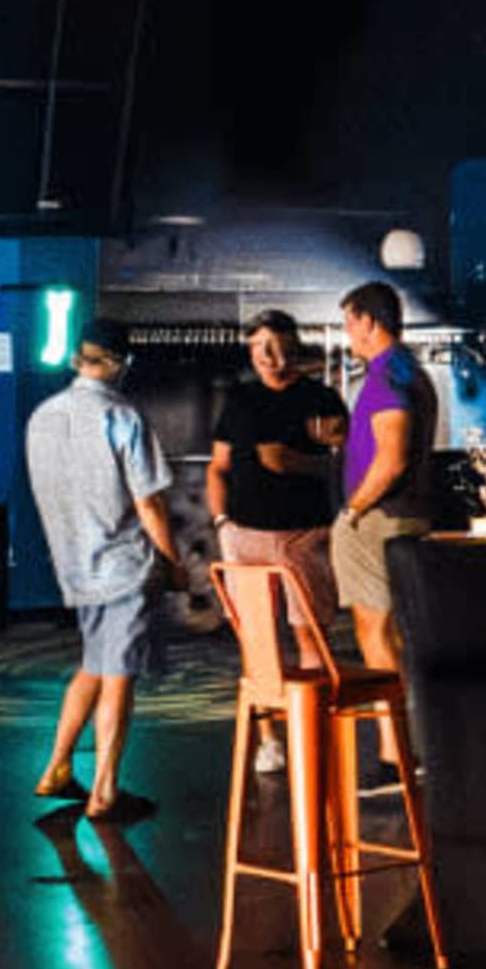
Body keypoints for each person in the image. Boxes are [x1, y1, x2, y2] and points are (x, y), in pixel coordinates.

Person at [23, 318, 182, 820]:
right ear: (120, 365)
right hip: (124, 567)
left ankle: (58, 769)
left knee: (93, 665)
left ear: (77, 359)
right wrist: (172, 563)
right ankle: (106, 791)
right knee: (118, 676)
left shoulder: (43, 417)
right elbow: (149, 503)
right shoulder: (123, 416)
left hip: (74, 566)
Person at [207, 310, 346, 761]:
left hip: (304, 534)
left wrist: (298, 462)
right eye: (262, 347)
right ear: (250, 352)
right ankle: (270, 741)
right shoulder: (240, 402)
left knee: (311, 637)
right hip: (244, 535)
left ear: (295, 348)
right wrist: (220, 521)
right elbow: (219, 467)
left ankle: (315, 733)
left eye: (281, 346)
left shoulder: (321, 397)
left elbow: (346, 463)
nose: (272, 357)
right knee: (259, 642)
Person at [334, 281, 441, 673]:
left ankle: (397, 734)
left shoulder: (384, 378)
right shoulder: (410, 372)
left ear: (369, 321)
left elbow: (392, 459)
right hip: (408, 514)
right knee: (398, 632)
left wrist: (354, 509)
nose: (348, 333)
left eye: (349, 322)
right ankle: (408, 732)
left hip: (379, 517)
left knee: (374, 630)